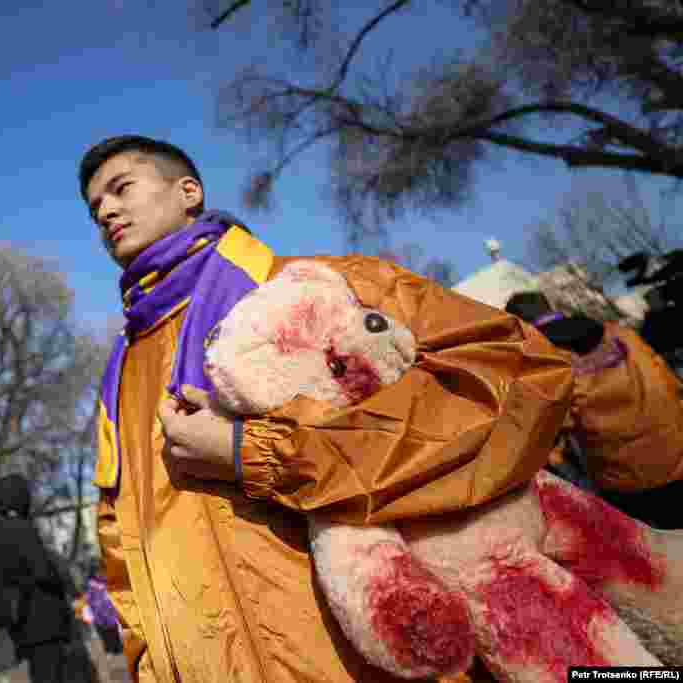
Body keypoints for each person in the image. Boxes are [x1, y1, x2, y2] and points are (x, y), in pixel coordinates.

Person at [79, 135, 582, 683]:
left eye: (121, 188)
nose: (105, 211)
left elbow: (520, 380)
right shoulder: (120, 378)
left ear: (189, 191)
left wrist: (257, 452)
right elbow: (123, 560)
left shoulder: (322, 285)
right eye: (93, 207)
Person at [505, 291, 683, 529]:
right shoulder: (620, 334)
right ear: (551, 307)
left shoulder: (543, 364)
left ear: (522, 326)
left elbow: (549, 431)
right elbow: (671, 383)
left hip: (628, 482)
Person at [0, 474, 97, 683]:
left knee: (38, 674)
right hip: (43, 619)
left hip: (17, 620)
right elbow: (42, 570)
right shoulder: (21, 529)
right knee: (52, 673)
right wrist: (62, 579)